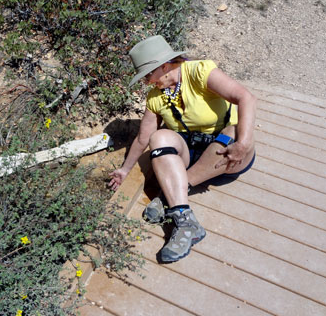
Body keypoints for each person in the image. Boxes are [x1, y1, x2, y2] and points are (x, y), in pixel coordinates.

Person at [108, 35, 256, 263]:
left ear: (164, 66)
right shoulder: (156, 97)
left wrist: (243, 144)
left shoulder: (199, 71)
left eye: (147, 75)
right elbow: (143, 138)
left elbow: (245, 97)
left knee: (234, 132)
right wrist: (124, 170)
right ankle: (185, 221)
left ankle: (173, 194)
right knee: (158, 137)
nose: (147, 82)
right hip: (190, 155)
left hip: (227, 154)